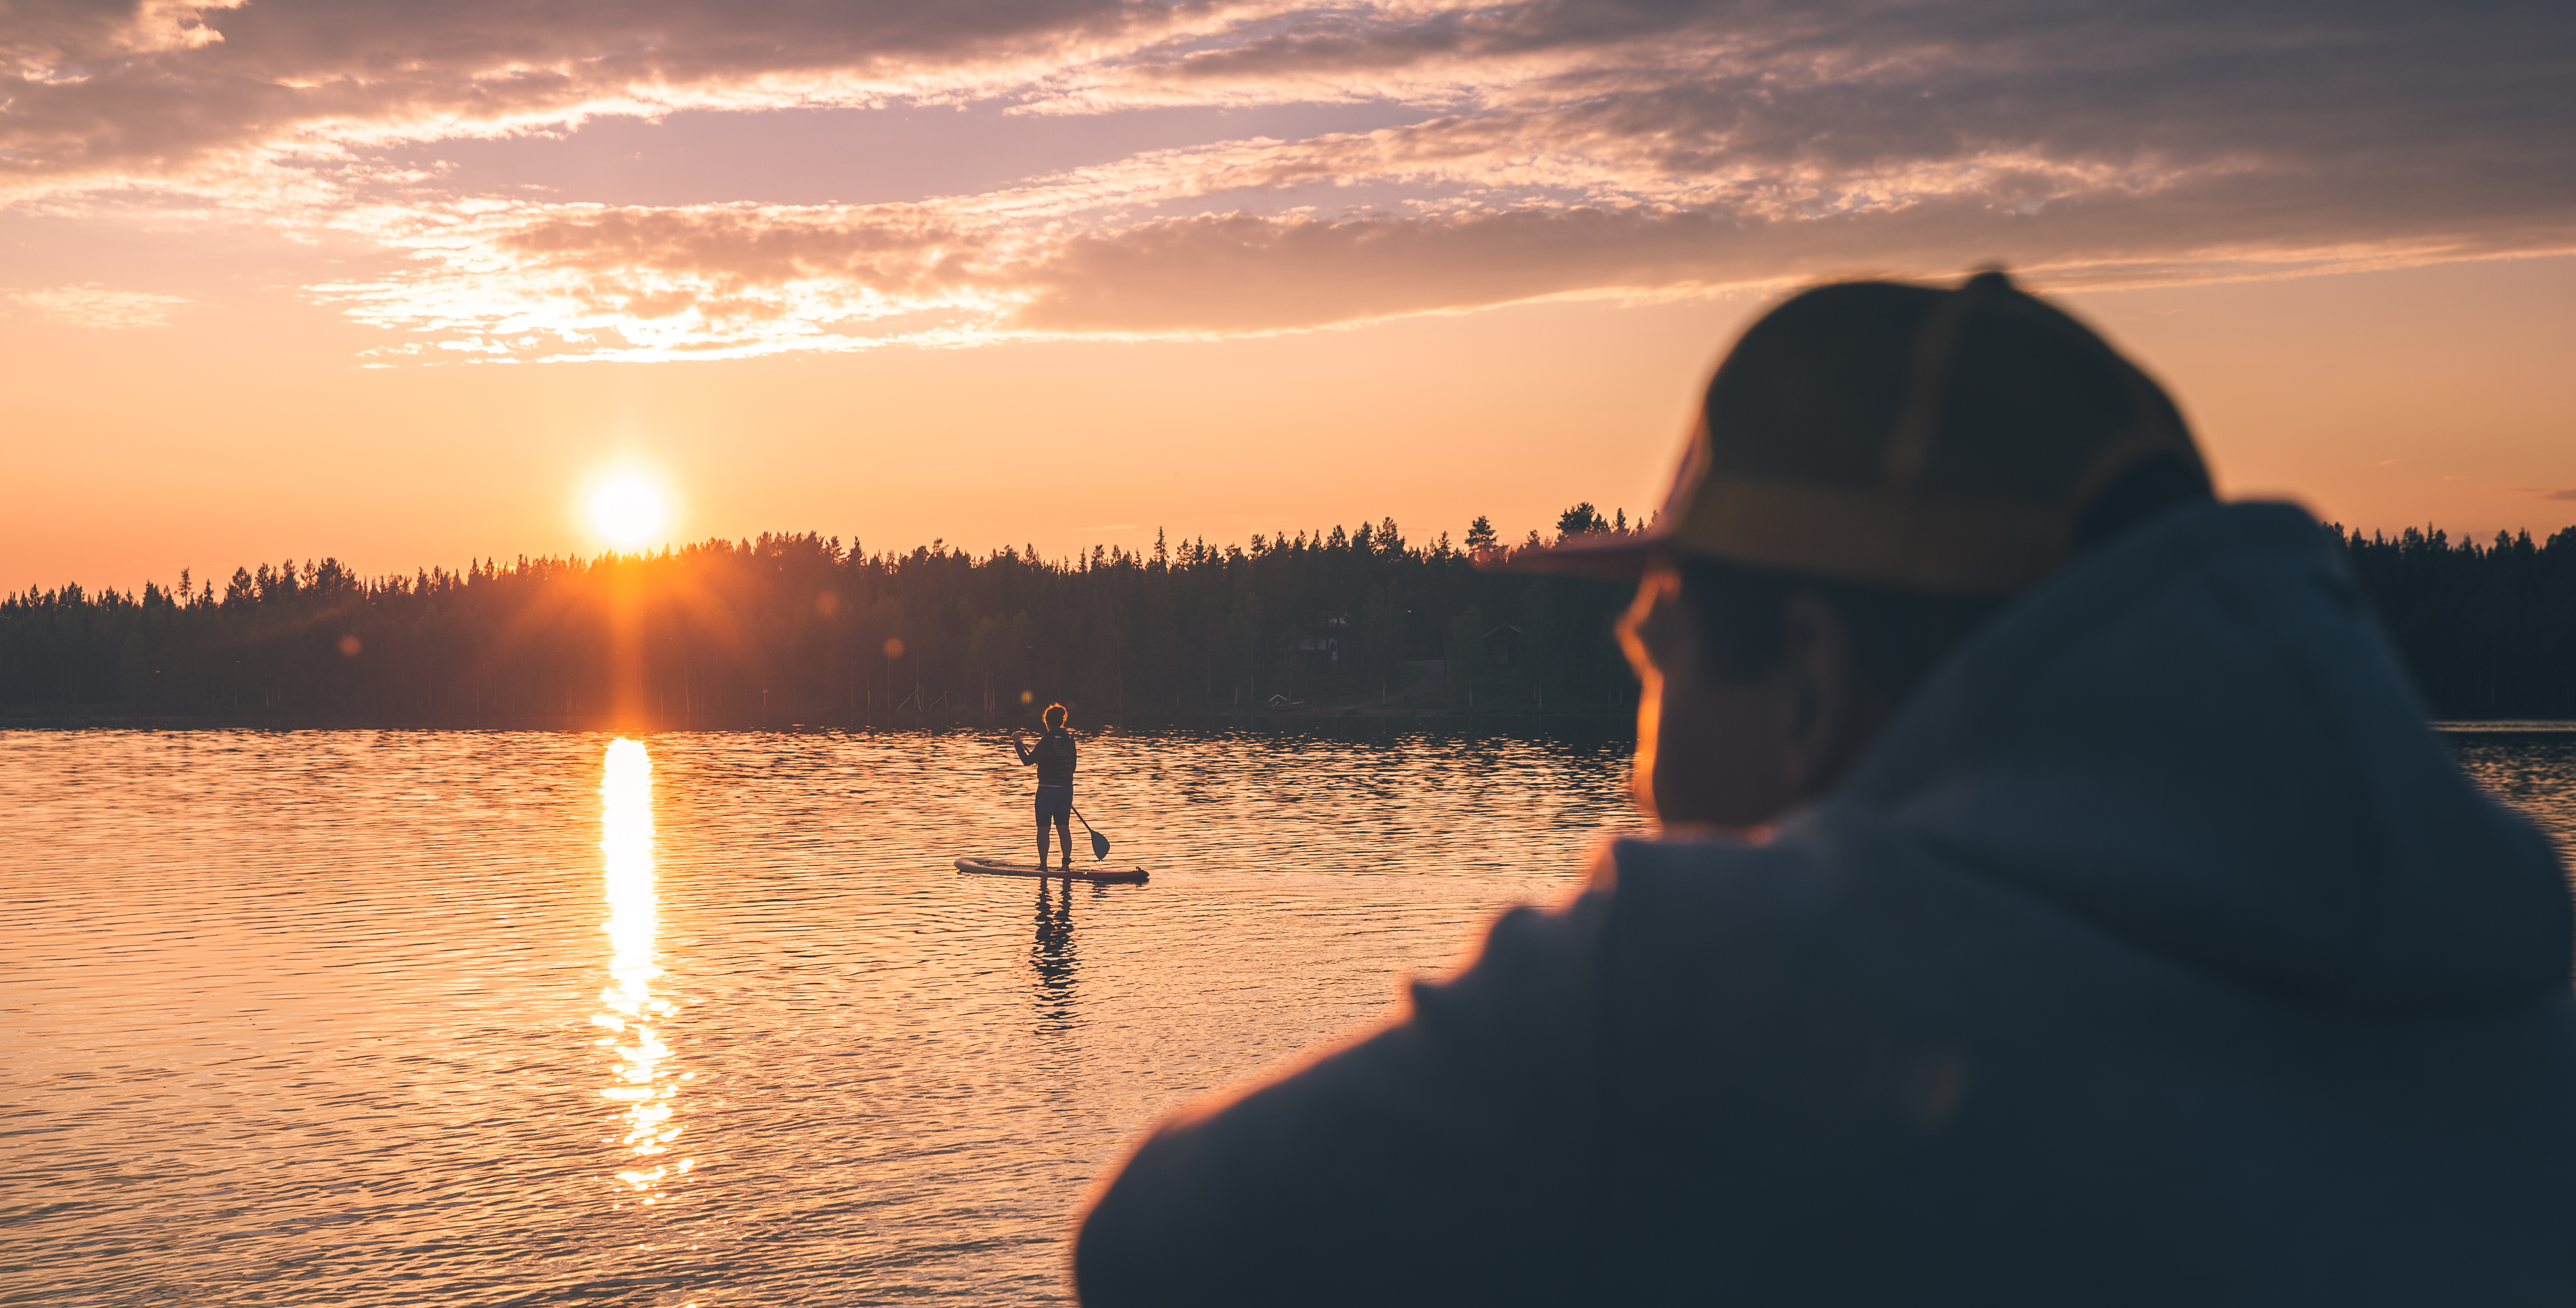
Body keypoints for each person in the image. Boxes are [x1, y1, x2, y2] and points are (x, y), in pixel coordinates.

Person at [1072, 272, 2576, 1304]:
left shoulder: (1709, 982)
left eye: (1651, 659)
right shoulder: (2523, 978)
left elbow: (1160, 1249)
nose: (1633, 756)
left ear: (1804, 675)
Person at [1016, 703, 1078, 872]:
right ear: (1062, 721)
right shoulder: (1070, 740)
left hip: (1047, 792)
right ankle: (1065, 866)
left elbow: (1027, 761)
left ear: (1047, 722)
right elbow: (1072, 765)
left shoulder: (1047, 740)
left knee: (1044, 829)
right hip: (1066, 790)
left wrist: (1017, 743)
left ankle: (1043, 866)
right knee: (1063, 828)